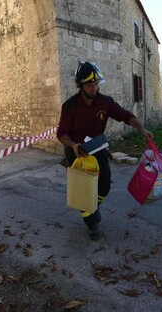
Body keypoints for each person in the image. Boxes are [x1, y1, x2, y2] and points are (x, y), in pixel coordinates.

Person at [57, 62, 153, 240]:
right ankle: (91, 223)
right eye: (89, 85)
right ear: (80, 86)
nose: (94, 88)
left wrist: (142, 129)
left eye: (95, 84)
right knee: (84, 190)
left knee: (105, 185)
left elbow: (126, 116)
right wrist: (73, 145)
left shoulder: (105, 102)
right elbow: (61, 133)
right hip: (77, 153)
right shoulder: (69, 106)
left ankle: (93, 208)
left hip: (98, 149)